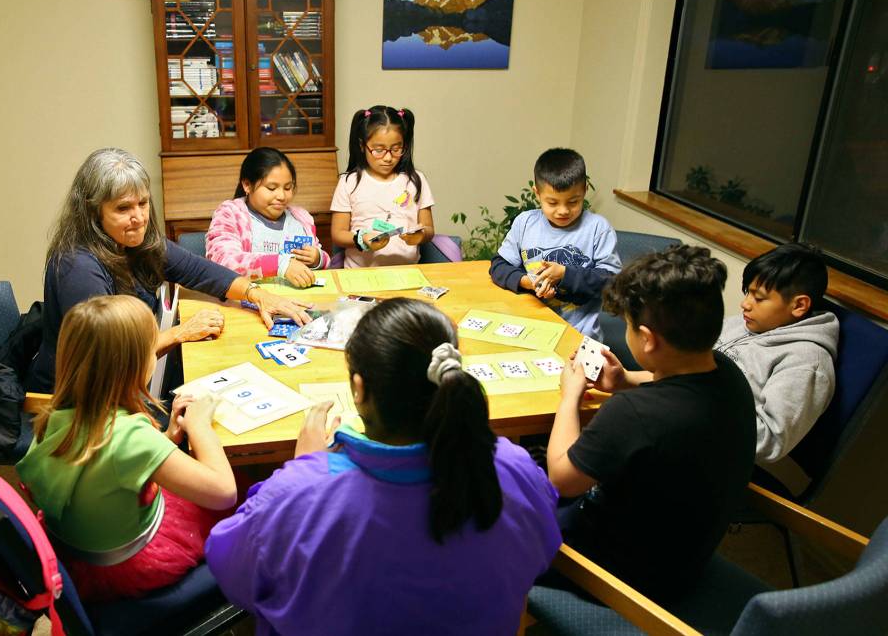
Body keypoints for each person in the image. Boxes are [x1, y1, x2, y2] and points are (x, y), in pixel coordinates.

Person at [206, 298, 562, 635]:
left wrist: (304, 469)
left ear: (358, 389)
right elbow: (540, 551)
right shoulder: (514, 468)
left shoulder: (299, 494)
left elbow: (233, 574)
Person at [544, 245, 756, 601]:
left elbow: (561, 480)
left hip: (621, 577)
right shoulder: (727, 372)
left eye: (628, 326)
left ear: (647, 338)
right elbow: (671, 382)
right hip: (684, 554)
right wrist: (624, 379)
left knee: (499, 497)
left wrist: (570, 396)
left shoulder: (634, 413)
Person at [28, 147, 311, 393]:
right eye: (123, 208)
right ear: (93, 212)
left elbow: (199, 271)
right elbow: (110, 354)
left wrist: (257, 294)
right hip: (83, 403)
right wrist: (180, 333)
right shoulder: (77, 266)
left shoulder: (137, 242)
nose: (139, 218)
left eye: (143, 203)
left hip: (134, 379)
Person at [17, 295, 236, 601]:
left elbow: (107, 471)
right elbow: (224, 492)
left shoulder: (54, 418)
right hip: (126, 565)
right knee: (248, 497)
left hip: (77, 552)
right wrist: (199, 425)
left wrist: (168, 437)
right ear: (132, 366)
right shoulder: (130, 436)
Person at [715, 243, 839, 464]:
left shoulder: (806, 363)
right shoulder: (746, 323)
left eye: (759, 298)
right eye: (748, 293)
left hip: (719, 453)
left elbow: (769, 440)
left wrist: (697, 408)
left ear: (799, 305)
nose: (745, 304)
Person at [489, 148, 621, 340]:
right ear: (537, 193)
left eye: (573, 202)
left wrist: (565, 275)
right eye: (552, 203)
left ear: (585, 190)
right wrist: (527, 282)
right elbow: (498, 266)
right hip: (530, 328)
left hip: (579, 335)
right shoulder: (525, 223)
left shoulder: (598, 229)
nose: (563, 211)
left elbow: (613, 282)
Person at [206, 147, 331, 288]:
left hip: (296, 298)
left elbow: (323, 262)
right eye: (272, 188)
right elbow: (223, 261)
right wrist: (281, 265)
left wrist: (317, 258)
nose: (282, 196)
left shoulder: (301, 219)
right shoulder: (230, 214)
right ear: (247, 185)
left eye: (288, 188)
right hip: (249, 298)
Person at [330, 106, 436, 268]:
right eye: (378, 150)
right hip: (360, 273)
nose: (388, 158)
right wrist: (361, 239)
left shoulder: (416, 180)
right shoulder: (349, 182)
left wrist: (421, 235)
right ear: (362, 145)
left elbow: (429, 229)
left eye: (396, 149)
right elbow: (338, 234)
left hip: (408, 271)